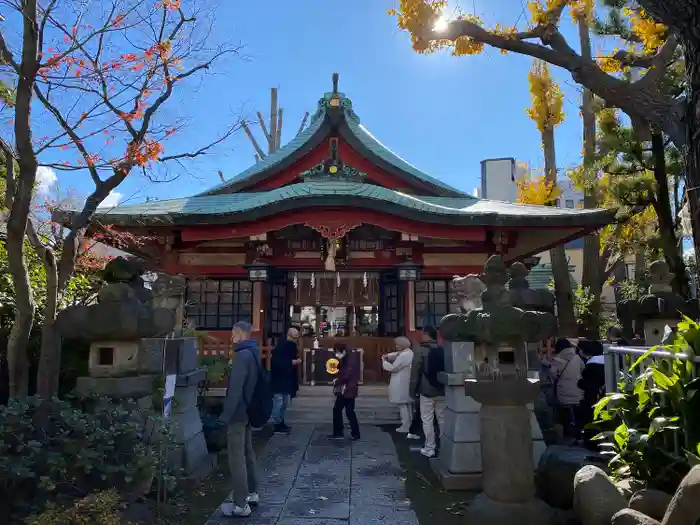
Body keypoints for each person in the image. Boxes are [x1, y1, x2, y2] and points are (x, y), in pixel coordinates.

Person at [217, 321, 261, 518]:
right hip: (250, 409)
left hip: (238, 412)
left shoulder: (242, 356)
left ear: (240, 333)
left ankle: (240, 504)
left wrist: (224, 417)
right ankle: (252, 492)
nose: (231, 337)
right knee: (247, 452)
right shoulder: (254, 352)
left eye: (233, 333)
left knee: (237, 459)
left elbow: (235, 390)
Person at [409, 326, 446, 458]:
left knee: (427, 420)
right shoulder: (443, 349)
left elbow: (415, 373)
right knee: (442, 419)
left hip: (426, 390)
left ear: (426, 335)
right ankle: (445, 447)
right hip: (442, 389)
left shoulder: (420, 351)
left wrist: (412, 391)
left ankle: (430, 447)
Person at [551, 338, 586, 445]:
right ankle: (578, 436)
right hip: (578, 392)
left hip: (563, 394)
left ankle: (567, 437)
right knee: (577, 416)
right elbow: (583, 369)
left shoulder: (556, 360)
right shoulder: (577, 358)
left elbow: (553, 375)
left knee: (565, 416)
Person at [269, 328, 302, 435]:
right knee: (279, 402)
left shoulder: (286, 346)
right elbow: (278, 362)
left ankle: (280, 421)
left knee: (284, 402)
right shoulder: (282, 347)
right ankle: (277, 424)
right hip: (279, 378)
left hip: (286, 378)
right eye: (295, 338)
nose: (296, 340)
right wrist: (292, 362)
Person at [381, 336, 415, 434]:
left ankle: (405, 425)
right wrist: (388, 355)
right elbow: (397, 354)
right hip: (406, 381)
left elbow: (393, 368)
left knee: (402, 404)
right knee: (408, 404)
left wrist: (384, 362)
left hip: (401, 381)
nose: (396, 346)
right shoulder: (409, 353)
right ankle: (409, 424)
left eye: (397, 344)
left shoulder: (404, 356)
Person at [330, 343, 361, 441]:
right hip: (348, 389)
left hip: (347, 389)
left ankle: (340, 432)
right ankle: (353, 433)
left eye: (337, 352)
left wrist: (337, 381)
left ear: (342, 351)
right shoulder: (347, 358)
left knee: (342, 410)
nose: (336, 355)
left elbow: (347, 374)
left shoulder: (348, 361)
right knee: (347, 411)